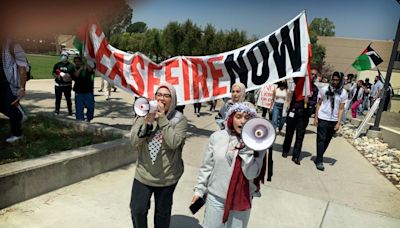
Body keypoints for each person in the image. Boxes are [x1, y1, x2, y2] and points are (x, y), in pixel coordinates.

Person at [192, 102, 266, 228]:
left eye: (247, 118)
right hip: (216, 198)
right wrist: (199, 190)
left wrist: (247, 150)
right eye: (238, 116)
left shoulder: (258, 144)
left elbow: (252, 174)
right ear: (231, 118)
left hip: (241, 201)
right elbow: (207, 167)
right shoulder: (217, 137)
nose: (242, 121)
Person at [129, 82, 188, 228]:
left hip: (167, 177)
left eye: (166, 96)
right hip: (143, 174)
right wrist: (147, 124)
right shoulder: (143, 114)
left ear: (172, 100)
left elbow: (173, 143)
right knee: (137, 210)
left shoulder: (179, 119)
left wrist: (162, 119)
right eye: (158, 95)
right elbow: (135, 142)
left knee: (162, 215)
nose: (161, 99)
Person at [314, 71, 347, 171]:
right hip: (323, 117)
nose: (334, 81)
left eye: (337, 80)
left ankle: (319, 156)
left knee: (327, 140)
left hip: (333, 120)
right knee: (321, 139)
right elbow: (319, 103)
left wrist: (338, 122)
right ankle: (319, 161)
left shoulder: (343, 93)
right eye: (333, 79)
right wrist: (316, 117)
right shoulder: (324, 89)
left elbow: (341, 109)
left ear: (340, 81)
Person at [282, 74, 318, 165]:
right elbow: (292, 78)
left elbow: (314, 102)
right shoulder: (298, 83)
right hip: (293, 112)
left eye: (314, 75)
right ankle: (285, 150)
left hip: (304, 114)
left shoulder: (314, 89)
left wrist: (308, 102)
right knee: (289, 133)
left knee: (300, 136)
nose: (312, 76)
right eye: (311, 74)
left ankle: (296, 156)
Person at [0, 38, 28, 143]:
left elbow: (22, 68)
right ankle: (20, 114)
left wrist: (22, 87)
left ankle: (17, 135)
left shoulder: (14, 46)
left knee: (10, 107)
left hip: (10, 83)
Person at [72, 56, 95, 122]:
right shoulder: (74, 69)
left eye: (78, 61)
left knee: (91, 108)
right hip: (79, 92)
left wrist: (85, 63)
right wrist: (80, 69)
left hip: (88, 91)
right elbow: (75, 75)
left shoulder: (87, 68)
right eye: (75, 62)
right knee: (79, 108)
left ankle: (89, 118)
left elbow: (90, 70)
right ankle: (80, 122)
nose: (77, 63)